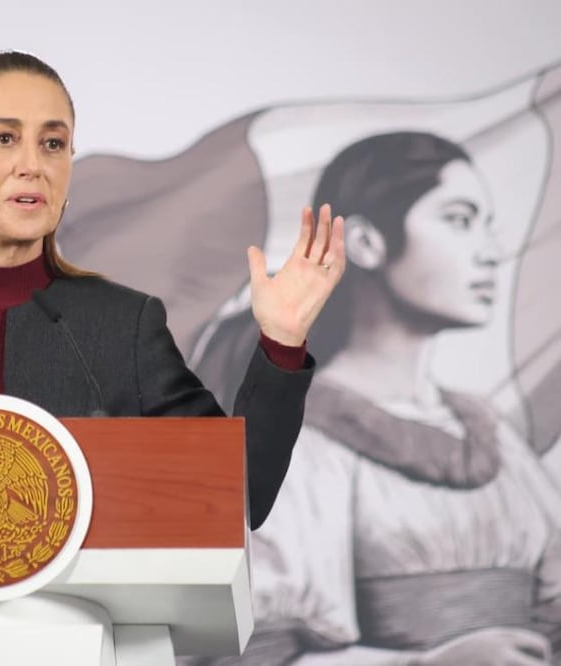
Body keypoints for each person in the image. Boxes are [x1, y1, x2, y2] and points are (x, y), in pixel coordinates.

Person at [0, 51, 345, 529]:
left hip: (78, 637)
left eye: (53, 143)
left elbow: (238, 495)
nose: (32, 165)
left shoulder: (122, 326)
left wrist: (281, 341)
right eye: (4, 138)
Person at [192, 132, 561, 664]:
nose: (490, 252)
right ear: (366, 243)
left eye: (488, 224)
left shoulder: (490, 433)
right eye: (458, 220)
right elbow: (256, 648)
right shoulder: (300, 439)